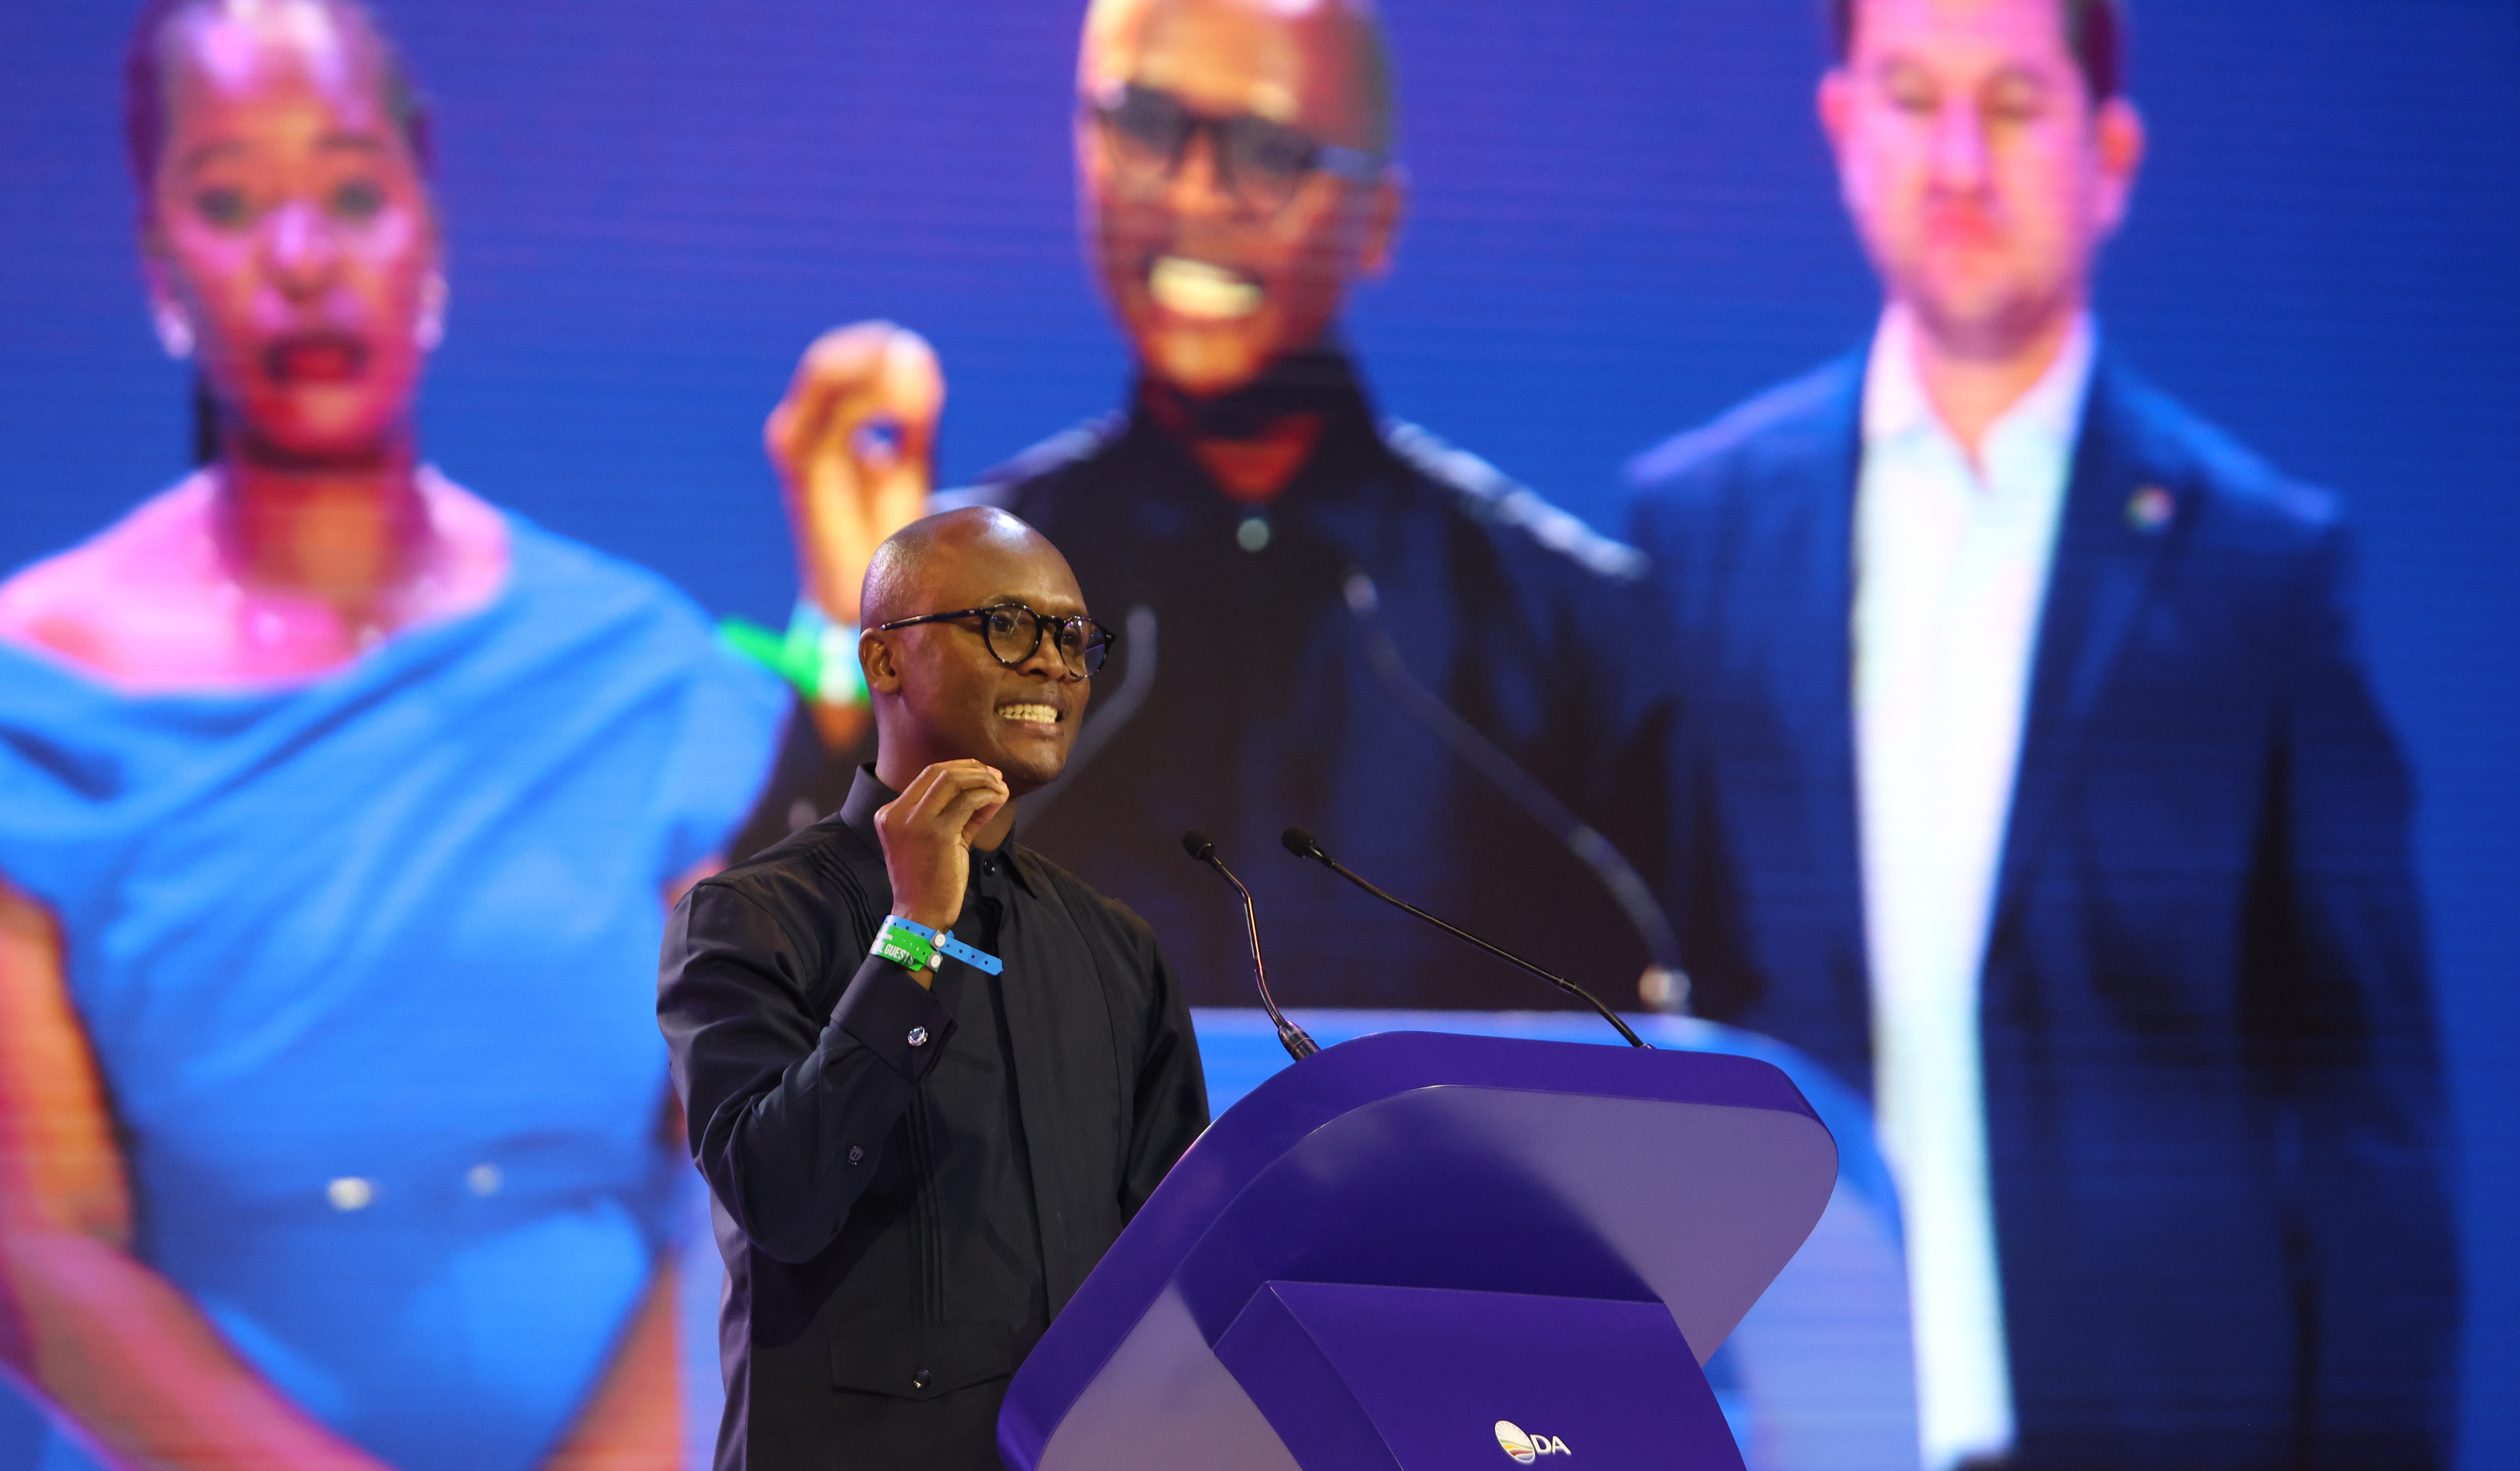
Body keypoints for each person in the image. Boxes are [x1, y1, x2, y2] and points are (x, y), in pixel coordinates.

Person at [1622, 0, 2458, 1466]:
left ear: (2110, 153)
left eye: (2012, 106)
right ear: (1841, 129)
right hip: (1790, 1419)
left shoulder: (2259, 570)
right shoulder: (1694, 534)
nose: (1957, 159)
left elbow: (2366, 1122)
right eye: (1909, 96)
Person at [0, 2, 828, 1467]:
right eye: (230, 199)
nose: (302, 258)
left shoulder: (641, 674)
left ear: (429, 235)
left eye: (355, 192)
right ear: (158, 267)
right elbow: (42, 1252)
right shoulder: (36, 698)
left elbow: (752, 1177)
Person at [746, 0, 1680, 1012]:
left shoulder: (1569, 631)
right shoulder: (970, 593)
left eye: (1268, 150)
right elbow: (770, 1020)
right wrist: (861, 637)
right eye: (1146, 126)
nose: (1193, 194)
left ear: (1376, 222)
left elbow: (1712, 1049)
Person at [658, 508, 1209, 1471]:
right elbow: (781, 1199)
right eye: (1007, 624)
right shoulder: (753, 916)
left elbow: (1174, 1265)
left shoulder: (1115, 951)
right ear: (883, 661)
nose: (1052, 664)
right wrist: (912, 935)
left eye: (1075, 637)